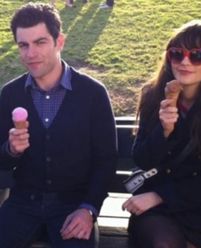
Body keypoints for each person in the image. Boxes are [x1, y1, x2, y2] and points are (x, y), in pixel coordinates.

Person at [0, 2, 117, 248]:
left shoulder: (92, 93)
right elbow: (2, 161)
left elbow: (106, 160)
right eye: (23, 45)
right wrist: (11, 150)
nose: (30, 53)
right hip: (23, 202)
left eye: (40, 42)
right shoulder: (10, 95)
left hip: (73, 204)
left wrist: (89, 208)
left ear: (59, 41)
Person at [122, 20, 201, 248]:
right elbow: (142, 159)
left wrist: (159, 196)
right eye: (176, 54)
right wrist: (163, 132)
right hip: (156, 211)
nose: (185, 62)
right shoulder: (153, 96)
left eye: (197, 56)